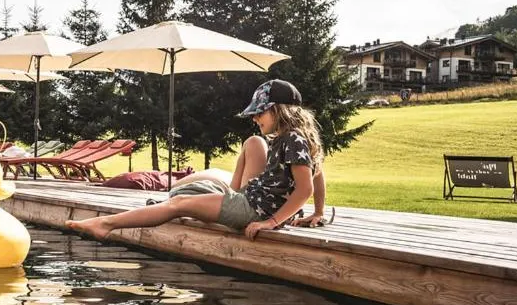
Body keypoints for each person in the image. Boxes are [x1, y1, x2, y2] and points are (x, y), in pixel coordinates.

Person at [66, 79, 328, 241]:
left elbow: (305, 188)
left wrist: (271, 222)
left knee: (178, 203)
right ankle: (108, 224)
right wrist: (317, 212)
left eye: (259, 113)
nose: (255, 118)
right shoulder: (292, 139)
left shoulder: (292, 139)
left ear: (277, 110)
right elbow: (317, 174)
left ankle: (105, 225)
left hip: (252, 209)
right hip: (251, 202)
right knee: (184, 199)